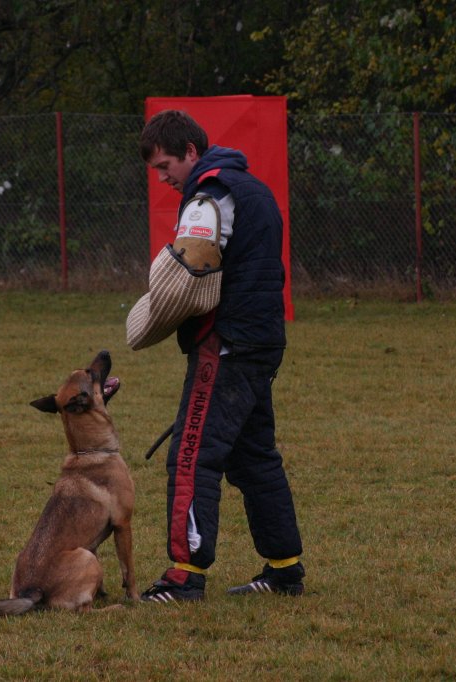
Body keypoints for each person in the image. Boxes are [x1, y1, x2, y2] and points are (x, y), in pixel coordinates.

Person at [129, 109, 305, 602]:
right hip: (263, 339)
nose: (162, 178)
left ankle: (184, 576)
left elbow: (189, 276)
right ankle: (284, 570)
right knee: (254, 458)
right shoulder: (253, 189)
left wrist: (154, 317)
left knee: (191, 456)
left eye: (165, 166)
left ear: (190, 152)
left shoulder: (208, 197)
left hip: (225, 344)